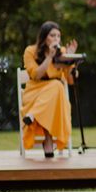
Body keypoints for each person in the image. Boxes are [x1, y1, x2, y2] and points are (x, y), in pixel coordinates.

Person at [21, 21, 77, 158]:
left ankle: (34, 117)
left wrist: (70, 61)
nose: (56, 39)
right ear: (44, 37)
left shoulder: (62, 52)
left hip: (54, 96)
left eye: (58, 36)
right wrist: (50, 57)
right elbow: (35, 75)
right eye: (52, 35)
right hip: (35, 91)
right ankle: (47, 140)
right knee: (56, 87)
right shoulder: (30, 51)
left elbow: (70, 81)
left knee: (57, 86)